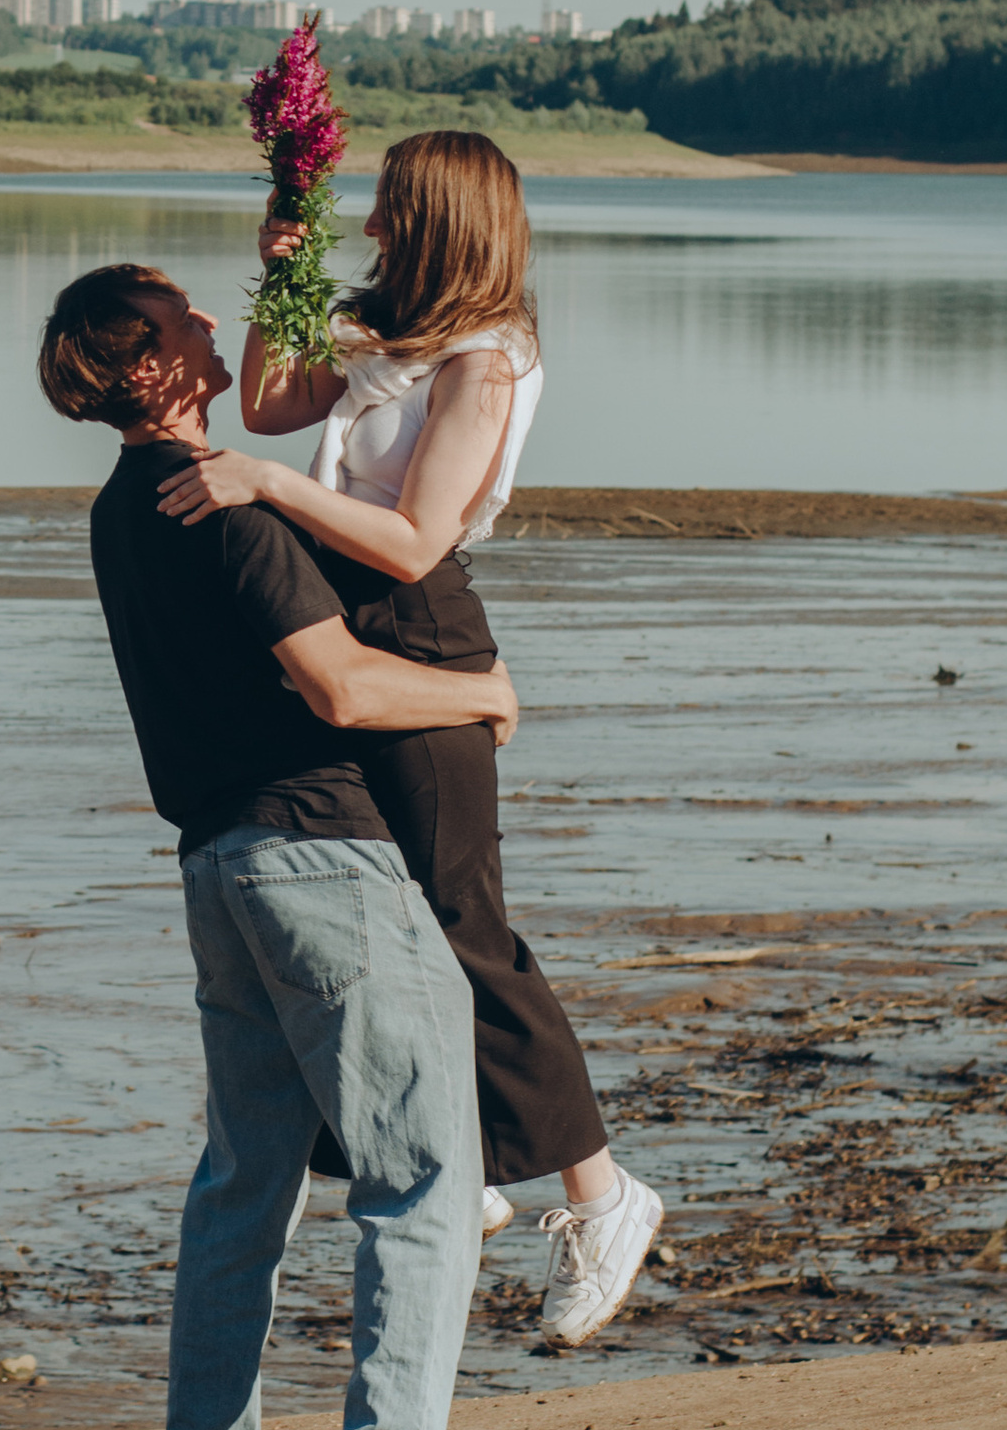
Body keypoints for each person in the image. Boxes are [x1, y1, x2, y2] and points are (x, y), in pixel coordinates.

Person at [40, 258, 543, 1430]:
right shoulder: (225, 507)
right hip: (322, 864)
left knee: (243, 1188)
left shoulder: (118, 508)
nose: (213, 321)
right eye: (183, 317)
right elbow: (339, 686)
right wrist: (480, 690)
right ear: (148, 364)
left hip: (216, 871)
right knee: (428, 1177)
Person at [157, 128, 664, 1350]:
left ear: (440, 218)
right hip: (338, 617)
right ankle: (469, 1168)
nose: (370, 224)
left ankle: (603, 1198)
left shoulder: (483, 359)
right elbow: (276, 399)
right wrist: (276, 277)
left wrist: (268, 488)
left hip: (416, 625)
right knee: (367, 905)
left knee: (461, 922)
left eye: (388, 208)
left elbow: (415, 539)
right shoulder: (389, 332)